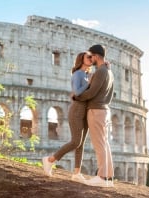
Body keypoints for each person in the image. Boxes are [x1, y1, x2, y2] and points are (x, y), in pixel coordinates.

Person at [42, 51, 93, 183]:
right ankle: (50, 160)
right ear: (81, 59)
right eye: (88, 57)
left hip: (85, 111)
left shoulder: (87, 75)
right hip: (76, 110)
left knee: (80, 144)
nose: (91, 58)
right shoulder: (78, 74)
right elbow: (76, 92)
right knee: (76, 141)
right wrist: (89, 83)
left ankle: (76, 173)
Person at [73, 44, 114, 187]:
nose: (91, 59)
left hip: (96, 110)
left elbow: (91, 92)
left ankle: (102, 177)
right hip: (105, 109)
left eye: (91, 56)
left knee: (99, 144)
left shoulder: (100, 72)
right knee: (105, 143)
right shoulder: (109, 71)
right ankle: (108, 177)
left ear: (96, 56)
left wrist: (76, 97)